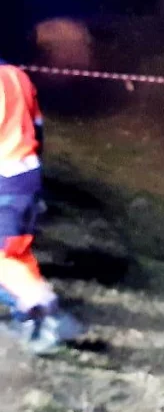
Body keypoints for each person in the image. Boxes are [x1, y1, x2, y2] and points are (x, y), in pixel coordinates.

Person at [0, 60, 83, 354]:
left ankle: (46, 314)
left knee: (2, 258)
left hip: (4, 178)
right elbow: (37, 128)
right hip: (25, 174)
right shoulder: (17, 75)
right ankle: (30, 319)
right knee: (15, 253)